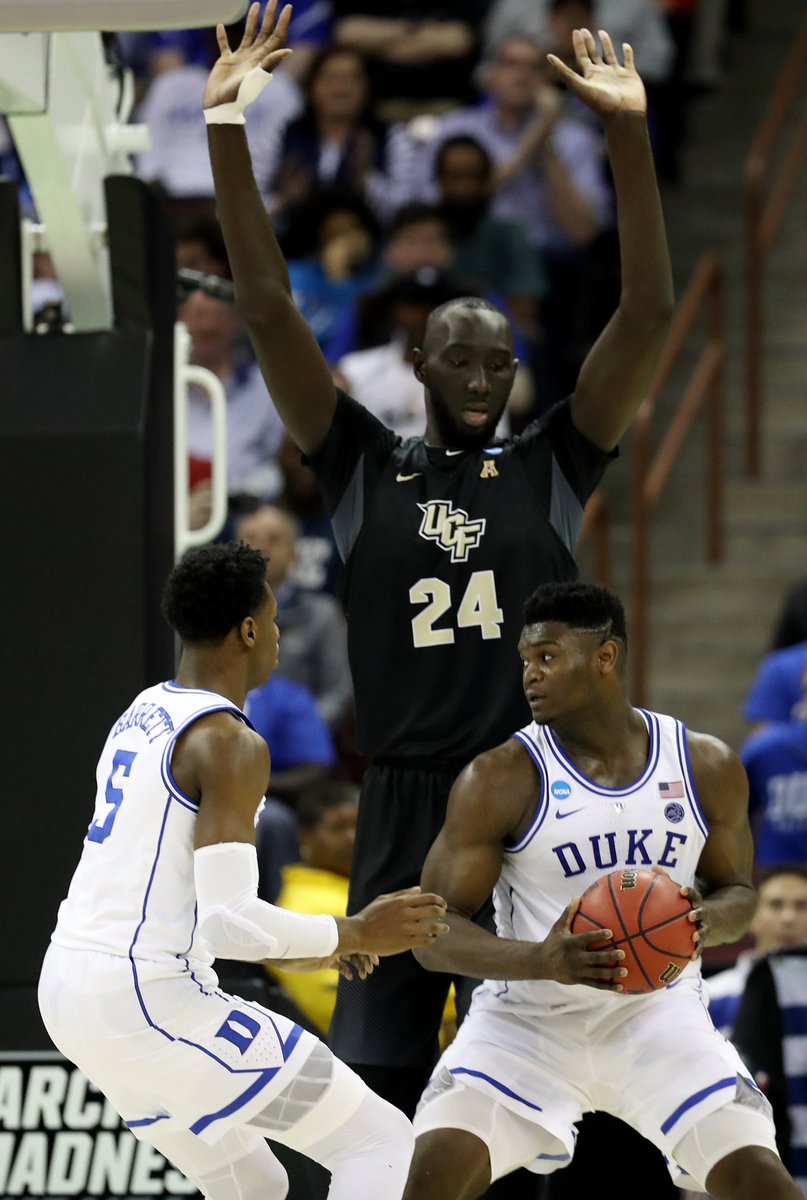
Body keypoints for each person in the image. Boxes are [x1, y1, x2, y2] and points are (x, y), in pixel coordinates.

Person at [205, 6, 674, 1119]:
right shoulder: (363, 461)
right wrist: (226, 120)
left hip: (527, 793)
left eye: (501, 362)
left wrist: (627, 136)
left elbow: (649, 310)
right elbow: (268, 307)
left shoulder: (555, 460)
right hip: (405, 797)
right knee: (378, 1078)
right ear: (418, 361)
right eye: (461, 358)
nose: (484, 377)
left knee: (557, 1079)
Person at [37, 542, 449, 1200]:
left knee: (251, 1182)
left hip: (70, 992)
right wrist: (353, 932)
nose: (280, 635)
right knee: (376, 1138)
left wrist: (319, 944)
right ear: (249, 629)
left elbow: (181, 900)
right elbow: (227, 923)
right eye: (275, 618)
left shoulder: (141, 712)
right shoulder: (230, 742)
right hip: (147, 997)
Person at [403, 580, 800, 1200]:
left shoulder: (704, 765)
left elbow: (739, 894)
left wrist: (705, 919)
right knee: (430, 1178)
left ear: (605, 657)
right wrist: (541, 960)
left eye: (549, 658)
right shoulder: (500, 776)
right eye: (527, 661)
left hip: (659, 1020)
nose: (530, 676)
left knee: (762, 1182)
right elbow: (431, 931)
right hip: (527, 1023)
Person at [237, 504, 353, 728]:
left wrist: (293, 731)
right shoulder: (215, 614)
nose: (260, 546)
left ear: (294, 553)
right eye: (251, 537)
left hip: (299, 750)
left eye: (274, 538)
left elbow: (338, 694)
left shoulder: (322, 614)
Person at [271, 780, 359, 1035]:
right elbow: (332, 1006)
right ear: (305, 837)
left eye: (358, 825)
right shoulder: (300, 907)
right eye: (338, 827)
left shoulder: (364, 890)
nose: (352, 837)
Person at [707, 866, 807, 1036]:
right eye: (776, 905)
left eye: (802, 906)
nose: (788, 918)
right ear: (752, 918)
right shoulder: (709, 997)